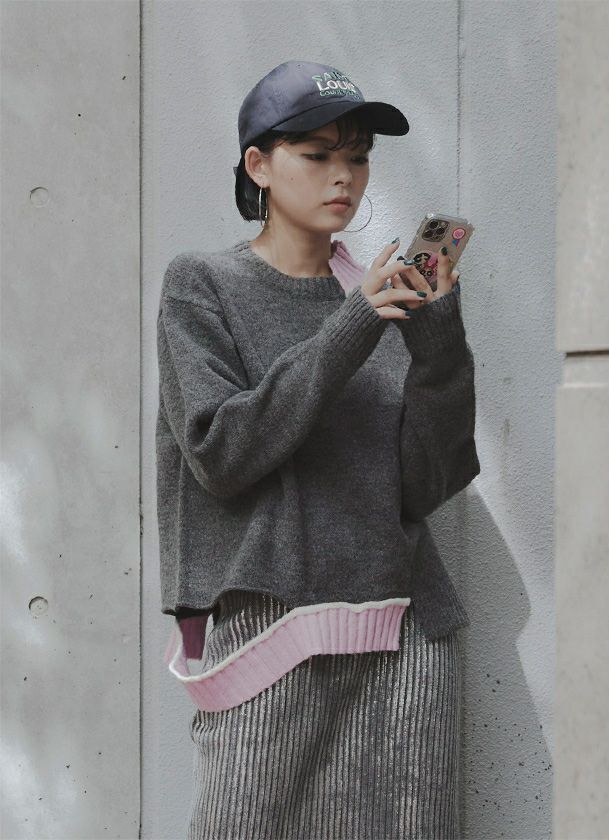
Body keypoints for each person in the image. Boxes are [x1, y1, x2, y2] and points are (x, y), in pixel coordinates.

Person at [156, 60, 480, 840]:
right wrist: (353, 325)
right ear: (258, 165)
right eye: (318, 153)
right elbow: (220, 452)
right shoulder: (202, 284)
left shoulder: (373, 294)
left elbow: (422, 487)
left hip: (402, 638)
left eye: (358, 156)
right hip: (271, 635)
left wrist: (437, 342)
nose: (345, 176)